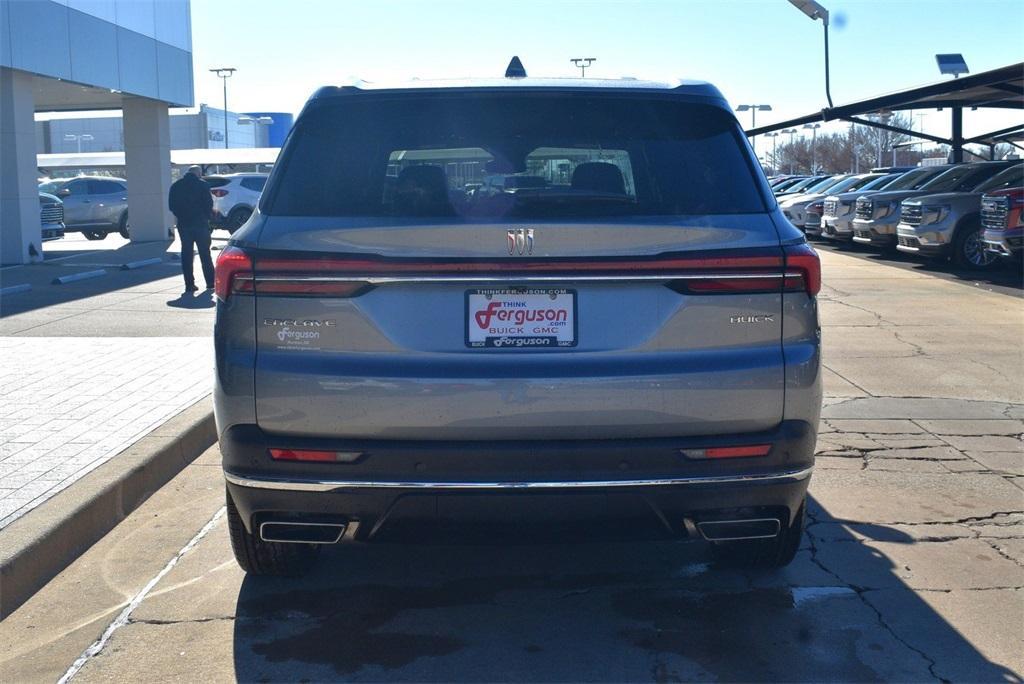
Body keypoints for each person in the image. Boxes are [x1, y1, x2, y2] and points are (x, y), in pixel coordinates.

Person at [168, 166, 215, 292]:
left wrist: (181, 215)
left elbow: (171, 205)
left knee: (187, 254)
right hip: (200, 224)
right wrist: (207, 217)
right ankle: (210, 282)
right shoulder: (203, 185)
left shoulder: (176, 186)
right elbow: (209, 204)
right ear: (198, 173)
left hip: (184, 224)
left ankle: (189, 284)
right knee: (205, 254)